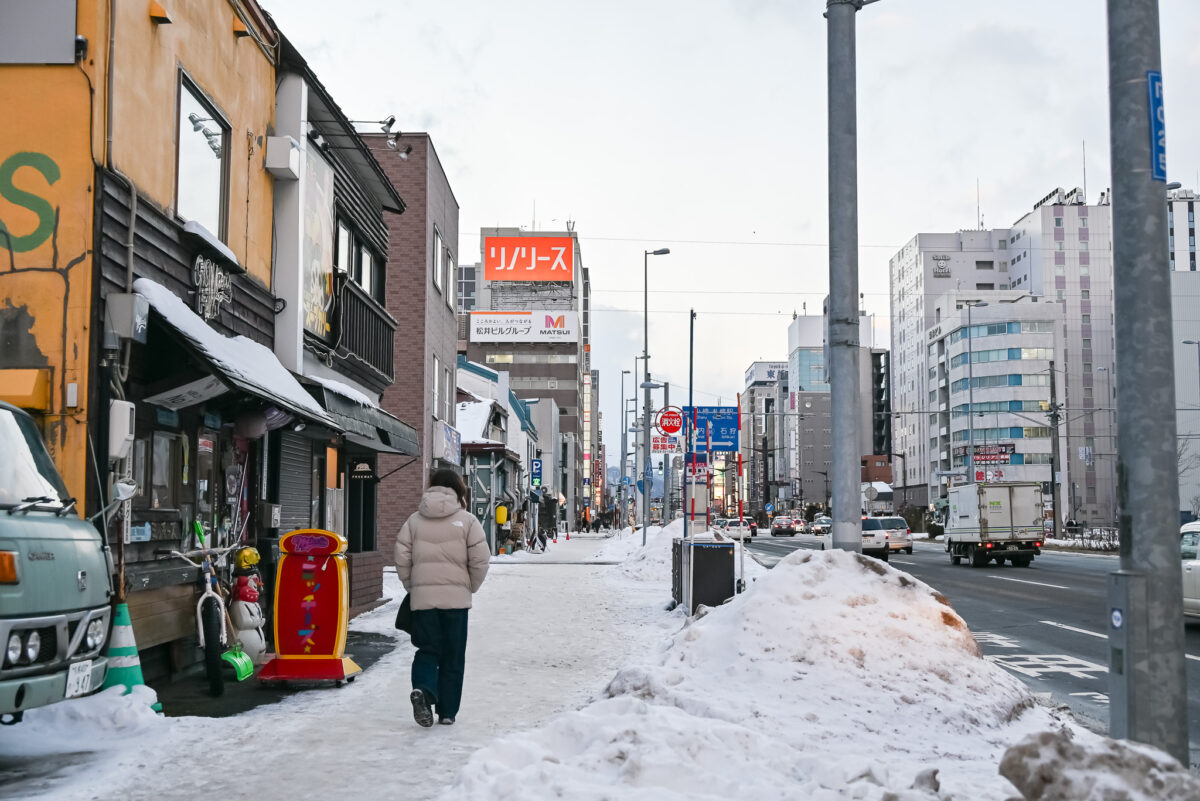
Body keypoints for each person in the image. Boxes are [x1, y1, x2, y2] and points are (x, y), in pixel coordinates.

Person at [394, 469, 490, 727]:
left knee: (427, 650)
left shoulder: (414, 521)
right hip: (456, 603)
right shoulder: (468, 521)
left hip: (423, 602)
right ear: (459, 491)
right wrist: (470, 586)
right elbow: (481, 560)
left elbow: (401, 557)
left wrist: (413, 586)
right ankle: (447, 713)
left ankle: (424, 690)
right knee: (453, 657)